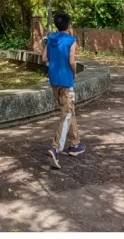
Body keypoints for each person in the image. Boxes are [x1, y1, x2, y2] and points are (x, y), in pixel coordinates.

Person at [43, 12, 85, 168]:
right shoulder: (71, 41)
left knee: (69, 111)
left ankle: (75, 144)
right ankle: (56, 148)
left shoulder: (50, 39)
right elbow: (72, 61)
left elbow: (44, 58)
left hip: (54, 81)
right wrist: (73, 72)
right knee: (66, 114)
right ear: (69, 25)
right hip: (66, 81)